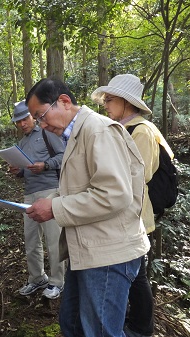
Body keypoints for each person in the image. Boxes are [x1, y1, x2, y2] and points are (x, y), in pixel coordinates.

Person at [24, 77, 150, 337]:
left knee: (101, 331)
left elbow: (114, 194)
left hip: (109, 253)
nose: (42, 125)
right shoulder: (79, 133)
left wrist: (56, 208)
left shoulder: (98, 130)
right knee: (73, 324)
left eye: (42, 116)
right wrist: (51, 201)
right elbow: (83, 186)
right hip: (89, 251)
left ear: (64, 102)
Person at [91, 74, 174, 337]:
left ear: (126, 102)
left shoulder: (142, 131)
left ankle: (140, 327)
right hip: (128, 212)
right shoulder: (124, 129)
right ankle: (135, 322)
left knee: (136, 275)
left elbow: (138, 174)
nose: (105, 104)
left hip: (138, 214)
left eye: (109, 99)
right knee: (135, 274)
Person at [9, 100, 65, 299]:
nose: (22, 124)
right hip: (29, 192)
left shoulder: (47, 133)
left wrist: (46, 165)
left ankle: (58, 281)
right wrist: (18, 171)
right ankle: (36, 278)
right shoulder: (22, 143)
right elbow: (25, 171)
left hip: (50, 190)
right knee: (31, 239)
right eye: (18, 121)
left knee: (53, 238)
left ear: (33, 116)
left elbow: (64, 155)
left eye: (25, 119)